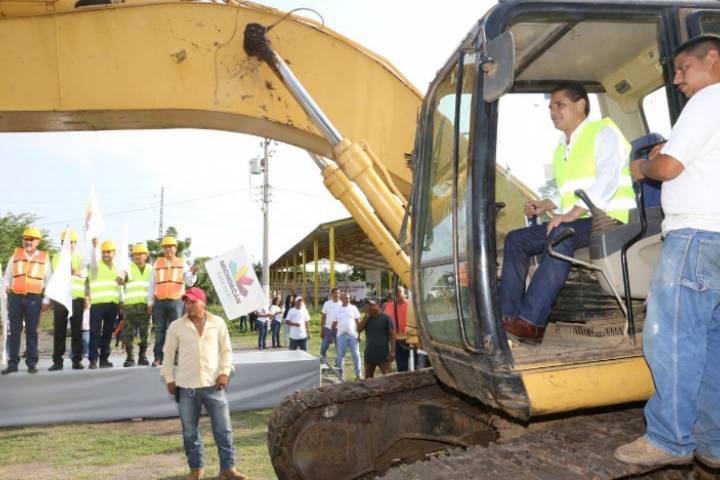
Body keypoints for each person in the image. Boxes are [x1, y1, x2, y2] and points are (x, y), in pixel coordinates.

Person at [614, 34, 720, 469]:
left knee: (672, 338)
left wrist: (644, 166)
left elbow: (670, 167)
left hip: (695, 235)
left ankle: (669, 439)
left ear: (712, 59)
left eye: (682, 68)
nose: (677, 79)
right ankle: (713, 443)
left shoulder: (708, 99)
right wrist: (667, 153)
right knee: (710, 345)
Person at [500, 80, 635, 344]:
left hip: (609, 218)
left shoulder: (604, 132)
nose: (553, 112)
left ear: (581, 104)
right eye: (550, 107)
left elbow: (607, 179)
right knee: (516, 240)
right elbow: (570, 191)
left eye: (559, 105)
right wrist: (548, 204)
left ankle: (531, 322)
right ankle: (507, 317)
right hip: (581, 218)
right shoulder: (562, 148)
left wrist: (571, 214)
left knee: (562, 233)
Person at [160, 287, 247, 480]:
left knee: (223, 429)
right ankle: (196, 469)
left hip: (214, 385)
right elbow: (168, 354)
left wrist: (225, 372)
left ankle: (228, 468)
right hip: (186, 387)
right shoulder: (176, 326)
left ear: (203, 302)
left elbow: (226, 351)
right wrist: (169, 378)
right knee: (190, 432)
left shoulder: (218, 323)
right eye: (186, 302)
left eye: (193, 302)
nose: (189, 305)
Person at [2, 227, 52, 375]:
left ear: (37, 242)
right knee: (14, 332)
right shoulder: (14, 256)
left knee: (31, 331)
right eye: (26, 239)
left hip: (34, 299)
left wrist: (47, 300)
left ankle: (31, 363)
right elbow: (6, 278)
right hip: (15, 298)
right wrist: (5, 295)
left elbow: (49, 281)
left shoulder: (44, 258)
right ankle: (12, 364)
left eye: (31, 239)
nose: (28, 242)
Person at [148, 236, 198, 367]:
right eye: (165, 247)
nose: (168, 249)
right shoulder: (157, 264)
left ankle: (176, 357)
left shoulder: (182, 263)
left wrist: (193, 274)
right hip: (160, 302)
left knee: (177, 330)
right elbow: (151, 284)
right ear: (162, 249)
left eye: (170, 246)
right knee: (160, 330)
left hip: (176, 301)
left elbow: (189, 281)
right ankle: (158, 357)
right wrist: (150, 303)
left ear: (175, 248)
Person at [49, 229, 87, 371]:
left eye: (72, 242)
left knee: (76, 330)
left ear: (75, 243)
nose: (70, 244)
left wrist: (87, 297)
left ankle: (76, 360)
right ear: (62, 243)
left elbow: (84, 274)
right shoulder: (56, 257)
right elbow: (57, 274)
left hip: (76, 297)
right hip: (60, 298)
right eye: (66, 242)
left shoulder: (81, 258)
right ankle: (57, 361)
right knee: (59, 330)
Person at [87, 239, 123, 369]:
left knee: (108, 333)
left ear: (114, 253)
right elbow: (93, 258)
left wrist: (121, 302)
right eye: (104, 252)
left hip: (112, 304)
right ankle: (93, 359)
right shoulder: (96, 265)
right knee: (95, 332)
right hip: (97, 304)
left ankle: (104, 359)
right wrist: (94, 247)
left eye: (109, 252)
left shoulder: (117, 268)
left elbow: (119, 287)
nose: (106, 254)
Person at [120, 243, 152, 367]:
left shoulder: (151, 269)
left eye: (140, 254)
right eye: (135, 254)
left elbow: (154, 288)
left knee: (146, 333)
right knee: (128, 333)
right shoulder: (126, 268)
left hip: (145, 307)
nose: (138, 256)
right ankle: (130, 358)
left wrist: (152, 304)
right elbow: (119, 285)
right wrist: (121, 302)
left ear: (146, 255)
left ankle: (142, 356)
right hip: (130, 307)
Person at [358, 297, 395, 379]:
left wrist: (392, 351)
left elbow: (393, 335)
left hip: (383, 354)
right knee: (368, 379)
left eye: (372, 305)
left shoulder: (386, 318)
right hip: (369, 354)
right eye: (369, 305)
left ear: (379, 305)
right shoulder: (367, 318)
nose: (370, 307)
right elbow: (359, 329)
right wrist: (366, 316)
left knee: (389, 378)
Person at [383, 287, 416, 372]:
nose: (397, 295)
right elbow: (385, 321)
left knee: (415, 364)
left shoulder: (411, 304)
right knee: (401, 366)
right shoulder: (389, 306)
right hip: (397, 340)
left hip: (411, 338)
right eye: (395, 293)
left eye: (399, 293)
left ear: (404, 293)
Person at [333, 292, 362, 380]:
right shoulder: (337, 309)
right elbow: (334, 323)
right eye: (345, 298)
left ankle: (358, 375)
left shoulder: (353, 308)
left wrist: (360, 334)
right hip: (341, 336)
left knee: (356, 355)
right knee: (340, 356)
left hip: (353, 335)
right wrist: (333, 336)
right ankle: (340, 377)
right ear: (341, 299)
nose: (347, 300)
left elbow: (358, 322)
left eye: (348, 298)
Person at [319, 287, 341, 363]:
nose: (337, 294)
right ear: (331, 294)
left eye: (338, 293)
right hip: (328, 328)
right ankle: (322, 360)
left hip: (339, 329)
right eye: (335, 293)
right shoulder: (327, 304)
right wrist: (322, 330)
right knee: (324, 346)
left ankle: (338, 363)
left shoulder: (342, 304)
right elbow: (323, 317)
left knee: (339, 347)